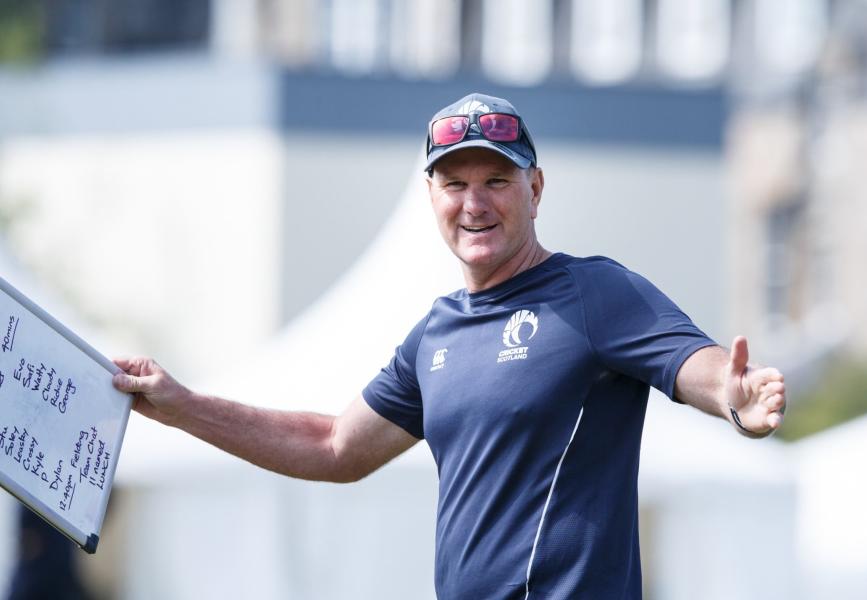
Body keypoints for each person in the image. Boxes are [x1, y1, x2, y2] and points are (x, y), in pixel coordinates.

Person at [113, 93, 786, 599]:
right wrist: (180, 406)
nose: (475, 202)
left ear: (536, 189)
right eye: (454, 183)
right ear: (432, 195)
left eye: (495, 180)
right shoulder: (436, 333)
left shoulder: (593, 293)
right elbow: (334, 447)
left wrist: (734, 396)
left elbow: (694, 366)